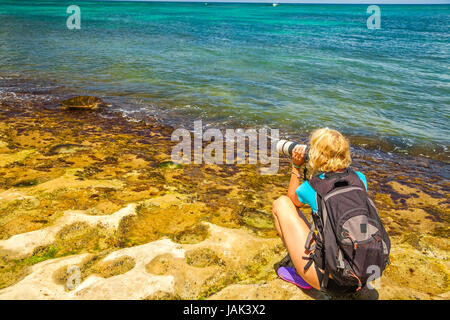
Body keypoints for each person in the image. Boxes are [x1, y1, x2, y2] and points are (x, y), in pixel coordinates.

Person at [272, 127, 368, 291]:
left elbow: (291, 201)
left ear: (314, 154)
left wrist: (296, 166)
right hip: (363, 274)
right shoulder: (360, 178)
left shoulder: (311, 187)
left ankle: (303, 274)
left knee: (280, 204)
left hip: (331, 282)